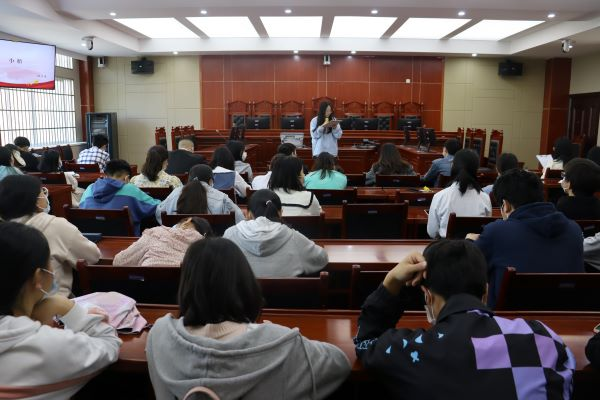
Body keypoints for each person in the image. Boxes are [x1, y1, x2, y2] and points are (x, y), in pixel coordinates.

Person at [354, 240, 575, 399]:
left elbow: (366, 342)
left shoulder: (411, 351)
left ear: (427, 296)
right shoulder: (544, 339)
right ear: (485, 292)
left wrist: (391, 282)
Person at [146, 237, 350, 399]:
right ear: (244, 282)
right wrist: (271, 333)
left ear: (186, 284)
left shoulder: (158, 335)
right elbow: (339, 362)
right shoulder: (279, 343)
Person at [0, 222, 121, 398]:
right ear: (38, 277)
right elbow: (109, 345)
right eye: (49, 262)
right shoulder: (46, 346)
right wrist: (66, 307)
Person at [469, 169, 584, 308]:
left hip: (509, 319)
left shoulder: (497, 232)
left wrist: (470, 242)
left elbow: (468, 269)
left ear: (505, 205)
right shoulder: (574, 230)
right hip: (567, 315)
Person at [0, 175, 101, 296]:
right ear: (35, 200)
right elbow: (92, 257)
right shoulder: (56, 225)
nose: (45, 195)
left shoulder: (5, 230)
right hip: (53, 301)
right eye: (42, 191)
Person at [223, 189, 328, 277]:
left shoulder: (230, 235)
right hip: (285, 296)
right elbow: (322, 258)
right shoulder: (293, 237)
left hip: (243, 296)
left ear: (248, 214)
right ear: (280, 213)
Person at [79, 159, 160, 236]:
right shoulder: (130, 189)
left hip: (92, 241)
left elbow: (81, 210)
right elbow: (158, 207)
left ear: (106, 175)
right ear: (127, 178)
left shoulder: (89, 189)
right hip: (127, 242)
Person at [427, 149, 491, 238]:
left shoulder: (440, 196)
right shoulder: (485, 198)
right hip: (474, 246)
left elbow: (432, 232)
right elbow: (486, 229)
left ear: (452, 166)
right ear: (476, 170)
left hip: (446, 245)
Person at [156, 164, 244, 224]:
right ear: (211, 181)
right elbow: (239, 219)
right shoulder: (221, 197)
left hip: (176, 239)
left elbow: (159, 213)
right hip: (211, 242)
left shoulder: (175, 193)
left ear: (189, 179)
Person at [113, 216, 210, 266]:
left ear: (187, 221)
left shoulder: (156, 233)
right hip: (182, 296)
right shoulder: (205, 250)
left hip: (144, 293)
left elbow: (120, 261)